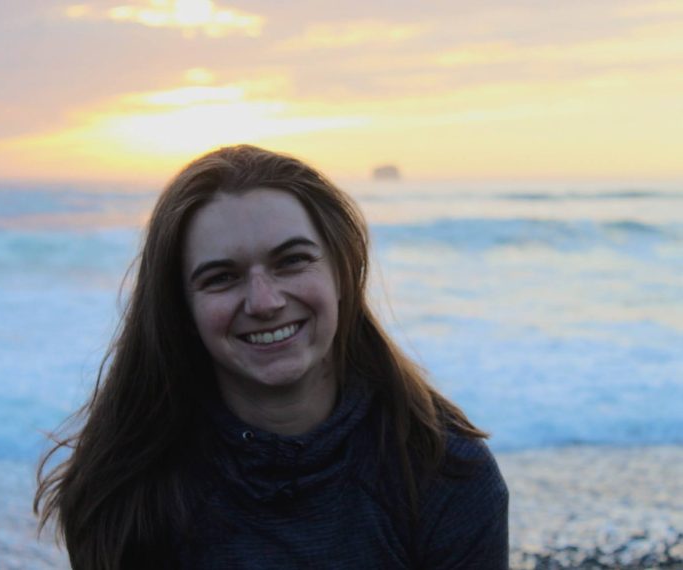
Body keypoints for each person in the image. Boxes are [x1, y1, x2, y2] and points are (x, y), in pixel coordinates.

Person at [35, 145, 509, 569]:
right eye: (221, 277)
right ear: (181, 309)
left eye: (292, 261)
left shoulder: (446, 472)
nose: (264, 302)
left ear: (343, 271)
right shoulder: (128, 490)